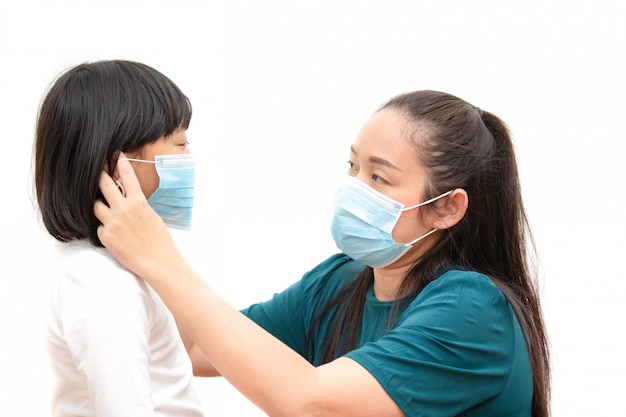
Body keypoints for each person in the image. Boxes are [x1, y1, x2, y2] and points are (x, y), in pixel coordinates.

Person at [95, 90, 551, 417]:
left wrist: (158, 257)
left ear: (446, 207)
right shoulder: (342, 281)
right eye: (353, 166)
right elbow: (194, 348)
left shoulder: (471, 309)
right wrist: (143, 231)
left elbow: (310, 402)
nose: (353, 188)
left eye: (379, 178)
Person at [34, 59, 205, 417]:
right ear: (118, 166)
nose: (189, 158)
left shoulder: (103, 267)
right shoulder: (102, 282)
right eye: (181, 144)